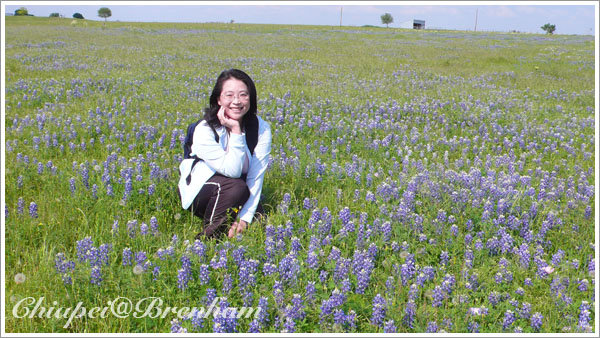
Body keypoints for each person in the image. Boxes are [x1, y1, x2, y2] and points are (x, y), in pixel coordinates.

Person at [178, 69, 272, 239]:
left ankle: (233, 222)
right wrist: (235, 130)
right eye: (229, 95)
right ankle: (209, 237)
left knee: (259, 214)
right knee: (234, 187)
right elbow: (233, 171)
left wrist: (243, 219)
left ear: (251, 98)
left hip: (238, 190)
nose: (236, 101)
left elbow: (256, 176)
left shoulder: (261, 128)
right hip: (202, 192)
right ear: (218, 99)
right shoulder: (205, 129)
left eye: (243, 95)